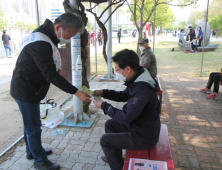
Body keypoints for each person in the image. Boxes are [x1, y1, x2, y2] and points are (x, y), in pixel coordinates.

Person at [10, 13, 91, 170]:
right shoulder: (41, 42)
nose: (69, 40)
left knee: (30, 124)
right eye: (70, 35)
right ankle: (39, 161)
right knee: (33, 126)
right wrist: (76, 92)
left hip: (29, 87)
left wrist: (53, 67)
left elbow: (43, 65)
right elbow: (50, 75)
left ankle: (31, 151)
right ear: (58, 27)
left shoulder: (45, 35)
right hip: (25, 91)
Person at [92, 49, 161, 170]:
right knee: (110, 125)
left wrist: (103, 106)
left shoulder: (142, 89)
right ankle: (116, 159)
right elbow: (124, 95)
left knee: (105, 140)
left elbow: (125, 117)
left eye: (118, 69)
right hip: (138, 126)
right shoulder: (138, 76)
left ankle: (118, 167)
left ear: (127, 69)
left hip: (145, 136)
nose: (117, 72)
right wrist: (103, 92)